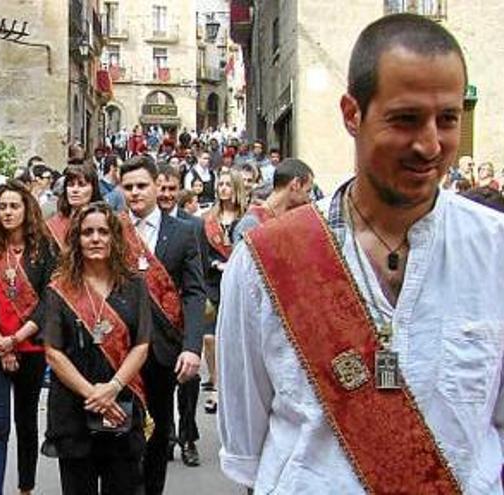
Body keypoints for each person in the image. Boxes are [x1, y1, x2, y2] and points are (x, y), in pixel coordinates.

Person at [218, 14, 504, 493]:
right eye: (405, 118)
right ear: (352, 114)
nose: (430, 144)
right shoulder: (264, 264)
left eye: (448, 119)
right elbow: (247, 452)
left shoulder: (496, 251)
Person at [42, 201, 152, 495]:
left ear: (115, 238)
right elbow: (53, 351)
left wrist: (112, 388)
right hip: (74, 409)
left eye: (103, 232)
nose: (95, 238)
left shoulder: (135, 286)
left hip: (121, 405)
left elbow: (142, 344)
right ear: (76, 239)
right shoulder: (59, 289)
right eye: (87, 232)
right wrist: (94, 394)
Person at [118, 156, 207, 494]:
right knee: (120, 431)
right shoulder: (111, 230)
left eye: (142, 185)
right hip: (120, 349)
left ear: (158, 186)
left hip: (163, 351)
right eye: (128, 187)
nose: (135, 193)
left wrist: (192, 347)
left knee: (157, 432)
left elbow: (195, 293)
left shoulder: (184, 232)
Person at [0, 180, 56, 495]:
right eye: (2, 206)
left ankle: (25, 487)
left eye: (14, 206)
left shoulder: (45, 249)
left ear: (27, 209)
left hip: (30, 347)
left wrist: (16, 338)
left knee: (26, 422)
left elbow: (49, 299)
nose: (7, 212)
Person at [199, 169, 249, 416]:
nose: (223, 188)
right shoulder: (208, 219)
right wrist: (216, 264)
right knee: (209, 337)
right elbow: (201, 252)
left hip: (238, 282)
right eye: (220, 184)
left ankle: (232, 388)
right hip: (213, 282)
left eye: (228, 184)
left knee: (236, 338)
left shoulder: (248, 218)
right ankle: (215, 384)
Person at [231, 158, 315, 242]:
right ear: (296, 184)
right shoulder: (252, 223)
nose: (308, 199)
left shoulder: (287, 220)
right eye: (307, 191)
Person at [45, 165, 103, 251]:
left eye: (81, 185)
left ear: (93, 189)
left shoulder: (105, 221)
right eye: (70, 185)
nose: (75, 190)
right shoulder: (53, 225)